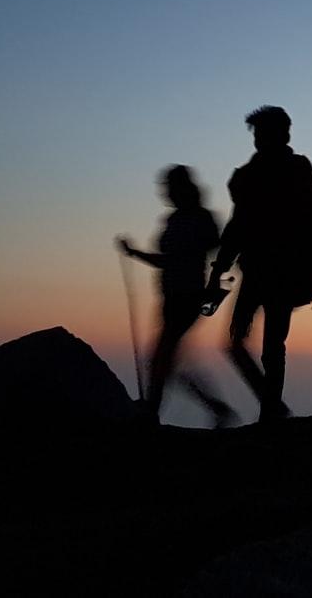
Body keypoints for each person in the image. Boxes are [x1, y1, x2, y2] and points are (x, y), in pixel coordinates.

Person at [207, 106, 312, 423]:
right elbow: (239, 225)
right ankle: (272, 408)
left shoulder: (276, 171)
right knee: (250, 343)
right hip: (265, 270)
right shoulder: (255, 174)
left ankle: (271, 411)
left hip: (282, 270)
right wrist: (219, 269)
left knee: (266, 344)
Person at [119, 165, 235, 426]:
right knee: (166, 359)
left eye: (168, 188)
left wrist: (135, 253)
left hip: (186, 298)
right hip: (174, 298)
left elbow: (173, 260)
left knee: (162, 358)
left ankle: (152, 412)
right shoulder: (187, 219)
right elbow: (176, 259)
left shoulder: (190, 220)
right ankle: (214, 407)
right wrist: (135, 253)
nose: (165, 193)